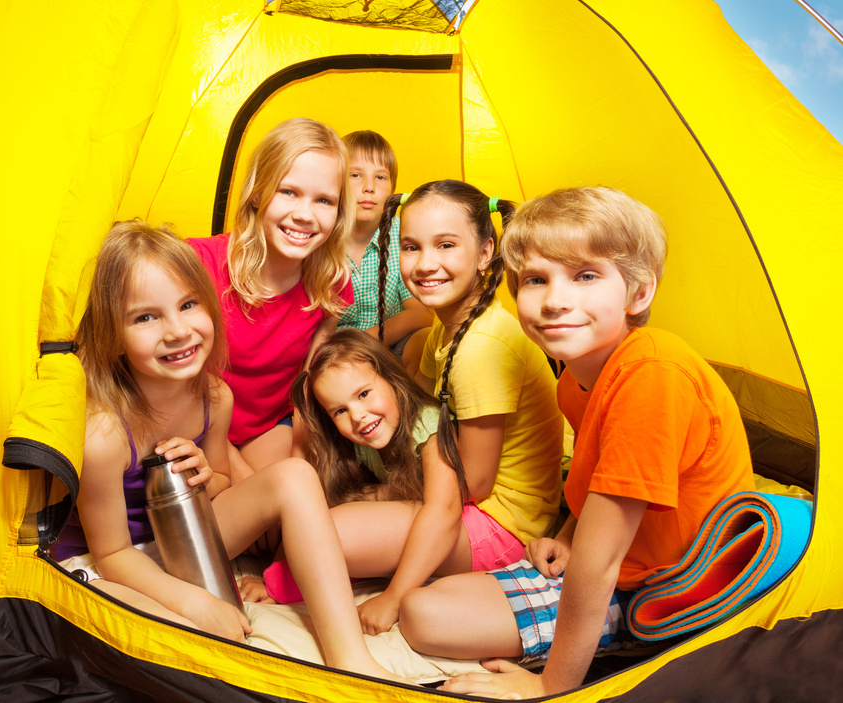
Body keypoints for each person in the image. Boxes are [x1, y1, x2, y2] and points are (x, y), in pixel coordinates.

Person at [399, 187, 756, 699]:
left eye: (586, 276)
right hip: (616, 561)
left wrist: (550, 686)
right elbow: (597, 480)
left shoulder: (652, 375)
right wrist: (566, 534)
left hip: (667, 584)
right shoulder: (575, 378)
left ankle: (610, 648)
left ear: (638, 293)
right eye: (536, 280)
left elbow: (602, 559)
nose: (554, 300)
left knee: (425, 614)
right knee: (425, 602)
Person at [52, 221, 409, 683]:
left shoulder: (214, 396)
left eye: (187, 305)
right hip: (114, 564)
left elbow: (221, 481)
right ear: (112, 334)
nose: (177, 330)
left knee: (294, 476)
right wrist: (196, 601)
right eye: (146, 317)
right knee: (188, 638)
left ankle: (351, 659)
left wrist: (206, 472)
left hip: (182, 539)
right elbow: (113, 553)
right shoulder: (103, 434)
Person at [382, 180, 565, 582]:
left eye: (446, 245)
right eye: (411, 247)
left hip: (504, 524)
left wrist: (387, 492)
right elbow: (424, 417)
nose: (425, 263)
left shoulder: (481, 346)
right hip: (469, 499)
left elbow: (475, 481)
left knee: (335, 534)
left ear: (485, 253)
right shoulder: (444, 328)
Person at [243, 329, 473, 635]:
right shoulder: (361, 443)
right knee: (323, 520)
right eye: (340, 410)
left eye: (364, 394)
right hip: (423, 533)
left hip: (466, 537)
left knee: (334, 532)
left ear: (391, 378)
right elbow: (312, 514)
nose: (358, 416)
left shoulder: (426, 421)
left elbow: (444, 510)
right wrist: (275, 576)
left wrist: (392, 599)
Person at [189, 118, 354, 474]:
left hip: (267, 428)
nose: (305, 215)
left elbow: (311, 380)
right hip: (193, 427)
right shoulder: (197, 264)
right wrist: (241, 474)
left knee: (295, 489)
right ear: (257, 191)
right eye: (289, 192)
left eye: (324, 200)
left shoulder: (331, 281)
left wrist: (303, 455)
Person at [336, 131, 431, 362]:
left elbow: (421, 314)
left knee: (425, 340)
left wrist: (363, 343)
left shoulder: (402, 235)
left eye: (380, 177)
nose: (369, 187)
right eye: (356, 175)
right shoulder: (319, 236)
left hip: (387, 346)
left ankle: (408, 397)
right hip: (331, 353)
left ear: (392, 189)